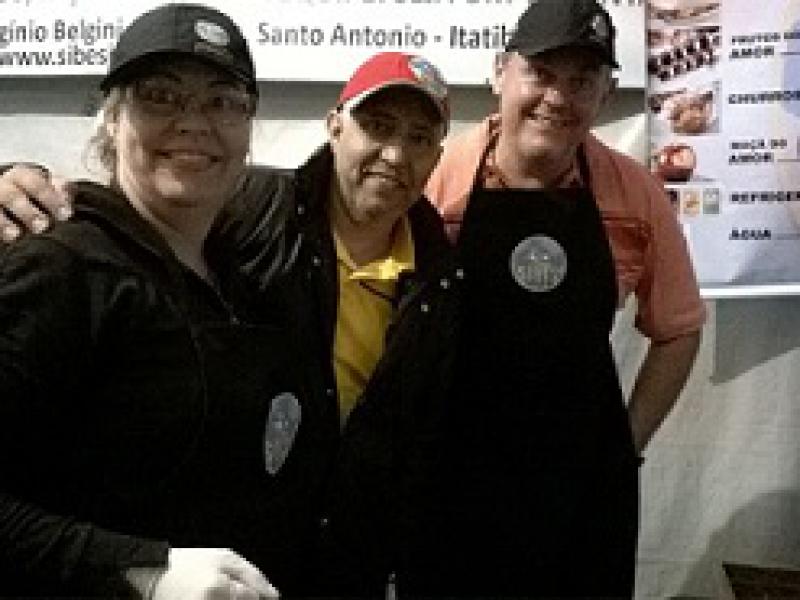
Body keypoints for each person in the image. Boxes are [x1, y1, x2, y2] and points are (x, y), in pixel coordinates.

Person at [0, 50, 457, 598]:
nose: (395, 154)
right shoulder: (251, 208)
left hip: (331, 566)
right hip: (191, 568)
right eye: (377, 126)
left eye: (419, 138)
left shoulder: (443, 272)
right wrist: (14, 184)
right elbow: (132, 205)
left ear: (437, 154)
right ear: (335, 126)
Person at [0, 4, 313, 598]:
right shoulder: (61, 269)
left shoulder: (239, 272)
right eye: (160, 97)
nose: (194, 123)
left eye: (222, 101)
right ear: (111, 120)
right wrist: (139, 570)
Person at [410, 0, 705, 596]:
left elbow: (679, 329)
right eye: (541, 74)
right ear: (501, 73)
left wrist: (624, 447)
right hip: (451, 481)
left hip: (580, 497)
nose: (557, 98)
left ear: (605, 94)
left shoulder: (636, 195)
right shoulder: (436, 180)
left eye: (581, 82)